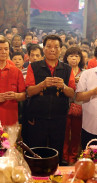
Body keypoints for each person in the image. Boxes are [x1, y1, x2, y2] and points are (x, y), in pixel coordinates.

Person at [24, 35, 75, 165]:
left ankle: (54, 177)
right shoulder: (34, 67)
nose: (52, 50)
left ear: (61, 49)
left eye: (56, 47)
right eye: (49, 47)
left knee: (55, 150)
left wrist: (63, 86)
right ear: (44, 48)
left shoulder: (67, 69)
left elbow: (72, 93)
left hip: (59, 118)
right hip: (37, 118)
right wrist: (42, 84)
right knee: (36, 150)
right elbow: (29, 91)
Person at [62, 46, 85, 164]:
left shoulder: (85, 73)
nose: (74, 59)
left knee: (76, 133)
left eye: (76, 56)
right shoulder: (63, 70)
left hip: (79, 106)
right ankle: (64, 156)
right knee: (64, 133)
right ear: (66, 58)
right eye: (71, 56)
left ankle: (73, 156)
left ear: (80, 58)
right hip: (65, 106)